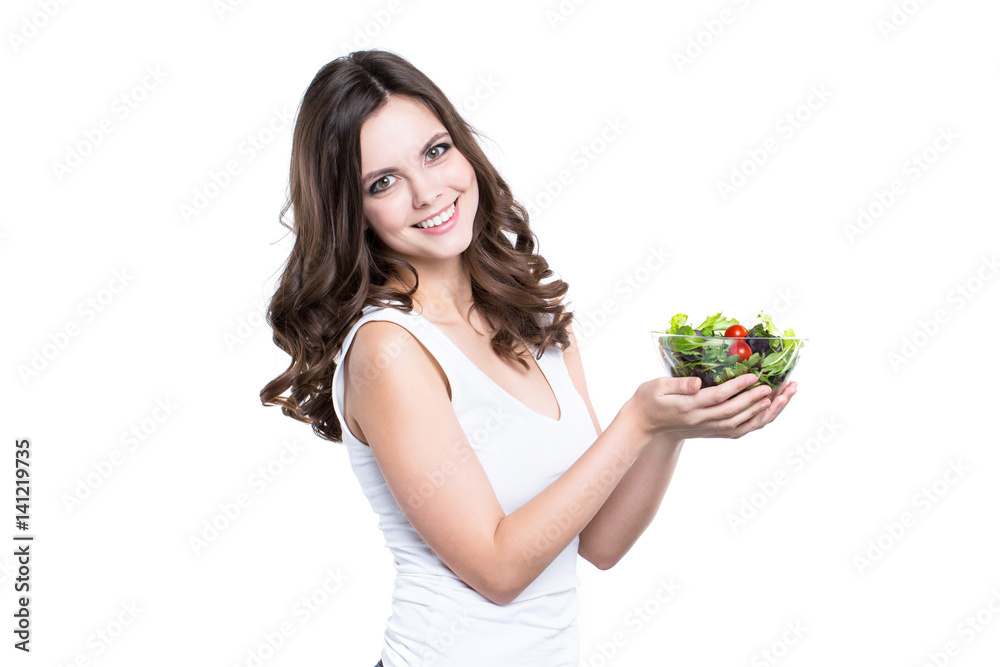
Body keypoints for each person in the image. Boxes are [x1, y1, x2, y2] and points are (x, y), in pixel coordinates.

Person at [260, 48, 797, 667]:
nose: (429, 191)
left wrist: (670, 429)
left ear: (463, 148)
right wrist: (637, 422)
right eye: (383, 182)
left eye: (435, 152)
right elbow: (498, 569)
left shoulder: (534, 317)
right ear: (352, 212)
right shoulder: (391, 347)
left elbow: (598, 542)